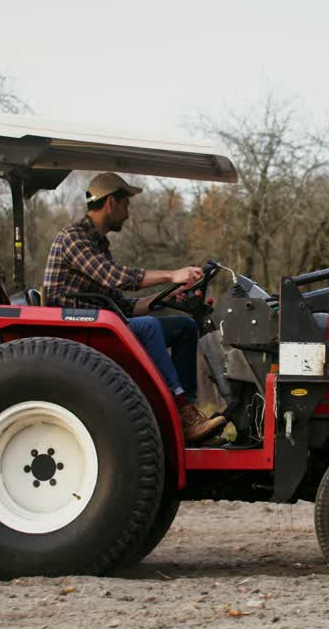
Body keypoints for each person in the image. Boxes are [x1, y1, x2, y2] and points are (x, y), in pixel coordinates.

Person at [42, 171, 227, 445]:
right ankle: (179, 411)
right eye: (126, 204)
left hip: (100, 323)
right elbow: (115, 277)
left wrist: (168, 296)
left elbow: (122, 305)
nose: (128, 213)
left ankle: (189, 416)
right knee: (149, 328)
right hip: (76, 331)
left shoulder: (99, 245)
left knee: (185, 327)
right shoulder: (73, 238)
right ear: (111, 204)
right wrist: (171, 274)